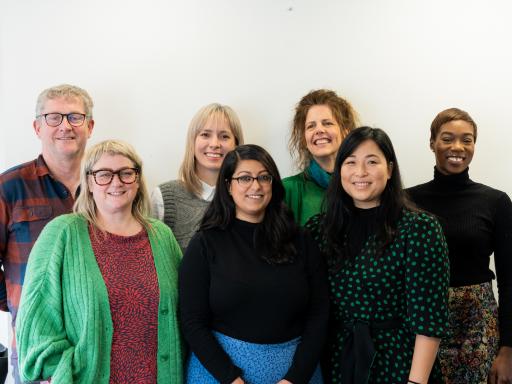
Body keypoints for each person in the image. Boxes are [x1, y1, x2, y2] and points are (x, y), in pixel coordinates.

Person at [16, 140, 183, 383]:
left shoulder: (161, 236)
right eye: (104, 174)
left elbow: (184, 310)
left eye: (126, 173)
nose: (116, 182)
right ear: (90, 182)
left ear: (137, 181)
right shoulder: (63, 233)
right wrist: (56, 372)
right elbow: (36, 315)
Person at [306, 127, 450, 384]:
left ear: (390, 169)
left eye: (372, 162)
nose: (360, 172)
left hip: (399, 362)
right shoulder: (320, 229)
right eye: (350, 162)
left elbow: (429, 319)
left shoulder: (419, 228)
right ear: (340, 171)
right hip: (336, 361)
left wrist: (416, 382)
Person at [179, 144, 329, 384]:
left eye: (263, 177)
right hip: (219, 373)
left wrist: (296, 377)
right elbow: (191, 321)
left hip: (296, 372)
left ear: (273, 183)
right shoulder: (205, 243)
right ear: (228, 185)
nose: (256, 186)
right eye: (245, 178)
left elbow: (320, 313)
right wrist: (231, 378)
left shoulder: (301, 240)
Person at [407, 108, 512, 384]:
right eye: (447, 138)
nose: (457, 147)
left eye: (467, 139)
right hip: (421, 326)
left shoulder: (496, 202)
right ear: (432, 143)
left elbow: (510, 281)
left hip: (477, 331)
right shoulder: (407, 201)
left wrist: (508, 350)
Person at [0, 84, 94, 383]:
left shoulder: (107, 185)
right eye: (53, 117)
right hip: (35, 348)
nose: (65, 126)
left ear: (89, 127)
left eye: (75, 117)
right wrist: (22, 301)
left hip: (97, 343)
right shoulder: (9, 187)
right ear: (37, 127)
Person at [151, 103, 244, 252]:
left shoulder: (248, 197)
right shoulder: (164, 198)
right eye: (205, 135)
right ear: (192, 141)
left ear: (236, 144)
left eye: (224, 136)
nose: (214, 144)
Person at [283, 89, 358, 226]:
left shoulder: (363, 184)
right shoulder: (288, 190)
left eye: (327, 123)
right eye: (311, 126)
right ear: (304, 139)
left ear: (345, 132)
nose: (319, 130)